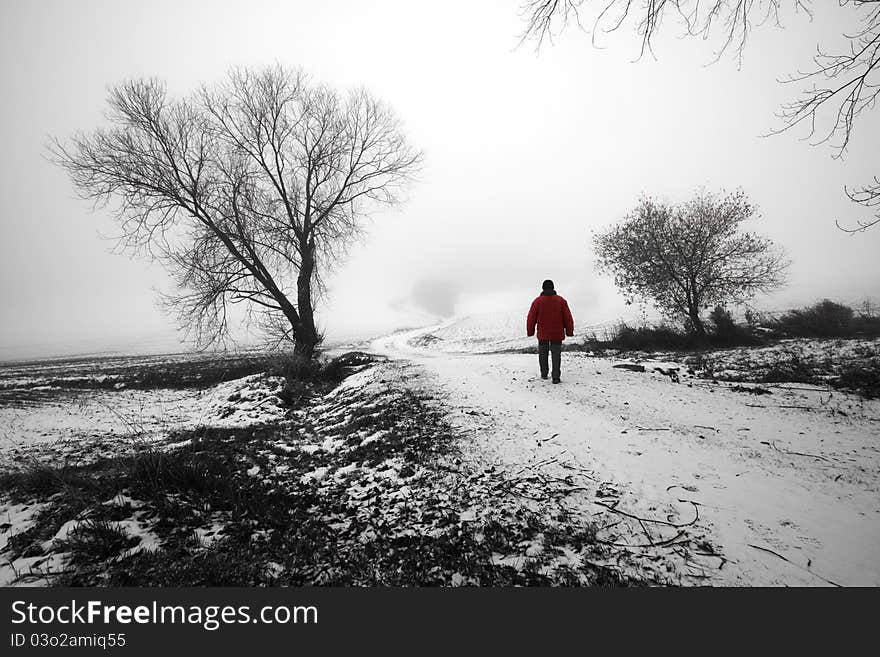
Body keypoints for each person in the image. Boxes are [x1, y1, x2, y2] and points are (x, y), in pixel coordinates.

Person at [526, 279, 574, 383]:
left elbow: (531, 318)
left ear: (543, 288)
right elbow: (568, 317)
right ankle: (556, 377)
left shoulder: (537, 301)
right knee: (556, 354)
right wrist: (569, 331)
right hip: (557, 333)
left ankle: (544, 374)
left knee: (543, 354)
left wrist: (530, 331)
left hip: (543, 333)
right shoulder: (561, 300)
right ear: (553, 287)